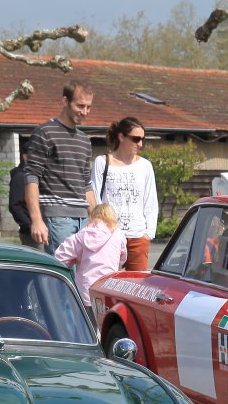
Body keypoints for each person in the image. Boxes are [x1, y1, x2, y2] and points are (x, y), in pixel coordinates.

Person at [24, 81, 95, 254]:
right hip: (58, 219)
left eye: (88, 107)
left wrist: (96, 218)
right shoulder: (45, 133)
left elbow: (86, 183)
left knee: (84, 270)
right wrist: (36, 220)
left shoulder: (84, 141)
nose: (85, 112)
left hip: (84, 219)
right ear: (65, 101)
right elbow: (31, 177)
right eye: (80, 106)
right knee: (62, 269)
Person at [91, 116, 159, 271]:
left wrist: (148, 234)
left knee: (138, 283)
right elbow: (95, 198)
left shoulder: (145, 166)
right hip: (110, 235)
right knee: (107, 281)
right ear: (121, 137)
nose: (140, 144)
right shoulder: (102, 162)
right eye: (136, 139)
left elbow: (151, 201)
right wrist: (100, 229)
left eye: (142, 139)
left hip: (138, 237)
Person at [55, 202, 126, 317]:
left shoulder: (83, 235)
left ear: (92, 216)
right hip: (109, 289)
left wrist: (74, 260)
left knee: (86, 323)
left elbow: (60, 257)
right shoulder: (119, 235)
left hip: (86, 291)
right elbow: (122, 259)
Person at [8, 143, 39, 248]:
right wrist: (30, 226)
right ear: (25, 156)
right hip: (32, 234)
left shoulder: (34, 174)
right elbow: (14, 206)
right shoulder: (20, 176)